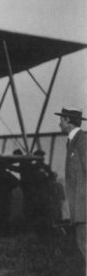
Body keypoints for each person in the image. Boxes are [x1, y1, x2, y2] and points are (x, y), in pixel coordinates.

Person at [55, 106, 86, 258]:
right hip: (79, 209)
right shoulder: (72, 141)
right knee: (82, 245)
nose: (59, 124)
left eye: (61, 120)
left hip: (84, 208)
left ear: (68, 120)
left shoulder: (82, 139)